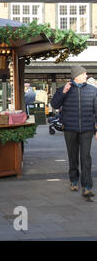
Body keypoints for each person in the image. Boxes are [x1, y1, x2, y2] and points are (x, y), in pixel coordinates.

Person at [51, 65, 97, 198]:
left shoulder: (93, 91)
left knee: (86, 157)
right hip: (70, 128)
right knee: (73, 156)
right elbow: (54, 105)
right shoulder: (65, 89)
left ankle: (87, 186)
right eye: (84, 74)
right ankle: (74, 180)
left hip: (87, 129)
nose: (86, 76)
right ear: (76, 76)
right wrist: (63, 92)